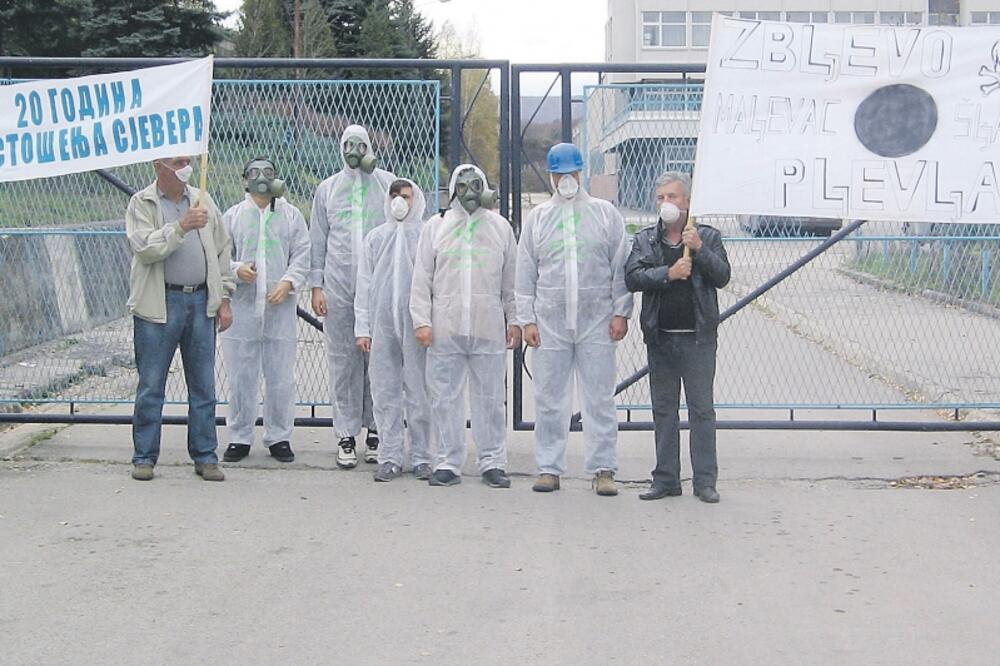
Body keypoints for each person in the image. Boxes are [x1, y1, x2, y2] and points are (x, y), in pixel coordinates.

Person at [516, 143, 633, 497]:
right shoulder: (537, 219)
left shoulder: (605, 214)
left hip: (596, 321)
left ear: (581, 173)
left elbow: (620, 267)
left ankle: (603, 468)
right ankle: (549, 467)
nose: (565, 180)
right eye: (559, 174)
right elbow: (525, 272)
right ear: (551, 176)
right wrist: (527, 320)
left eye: (571, 173)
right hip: (549, 322)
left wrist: (620, 312)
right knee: (550, 397)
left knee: (599, 397)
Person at [126, 155, 235, 482]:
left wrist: (224, 297)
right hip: (160, 304)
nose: (186, 166)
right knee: (151, 385)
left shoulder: (203, 199)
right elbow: (145, 248)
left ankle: (205, 455)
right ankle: (144, 456)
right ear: (160, 165)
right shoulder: (141, 203)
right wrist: (181, 226)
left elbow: (222, 249)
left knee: (203, 386)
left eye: (188, 160)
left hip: (201, 302)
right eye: (178, 161)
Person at [410, 164, 520, 488]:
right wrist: (421, 321)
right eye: (462, 184)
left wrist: (514, 319)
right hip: (446, 325)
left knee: (490, 398)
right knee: (445, 397)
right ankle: (447, 461)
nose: (469, 191)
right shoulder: (435, 227)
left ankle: (492, 462)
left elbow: (511, 282)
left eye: (476, 184)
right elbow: (421, 279)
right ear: (452, 188)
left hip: (488, 325)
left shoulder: (500, 227)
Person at [624, 171, 730, 503]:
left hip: (697, 337)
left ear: (687, 202)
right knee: (664, 410)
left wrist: (698, 250)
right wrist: (667, 274)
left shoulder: (707, 236)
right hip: (661, 337)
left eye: (673, 197)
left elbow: (722, 276)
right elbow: (632, 276)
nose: (667, 204)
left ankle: (704, 481)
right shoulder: (646, 239)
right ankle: (666, 478)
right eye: (661, 198)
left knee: (701, 410)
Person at [310, 124, 396, 468]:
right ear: (341, 147)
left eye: (361, 144)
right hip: (339, 285)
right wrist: (317, 285)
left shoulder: (387, 184)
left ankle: (377, 431)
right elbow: (318, 240)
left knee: (378, 360)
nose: (355, 150)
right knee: (343, 361)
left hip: (377, 286)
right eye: (349, 144)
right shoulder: (328, 189)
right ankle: (345, 434)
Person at [220, 157, 309, 464]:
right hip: (242, 310)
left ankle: (279, 437)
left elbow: (302, 254)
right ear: (244, 180)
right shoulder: (232, 216)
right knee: (241, 377)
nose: (261, 178)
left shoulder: (291, 216)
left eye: (268, 173)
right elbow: (219, 256)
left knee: (281, 377)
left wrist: (288, 282)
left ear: (276, 179)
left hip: (279, 311)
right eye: (254, 173)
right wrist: (237, 269)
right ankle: (240, 437)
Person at [355, 178, 434, 482]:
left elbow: (433, 280)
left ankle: (422, 456)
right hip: (382, 323)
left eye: (407, 196)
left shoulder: (426, 235)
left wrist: (427, 320)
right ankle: (389, 455)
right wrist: (363, 327)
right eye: (395, 196)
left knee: (420, 390)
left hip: (417, 325)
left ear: (418, 200)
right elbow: (364, 283)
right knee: (385, 390)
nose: (401, 202)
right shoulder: (376, 237)